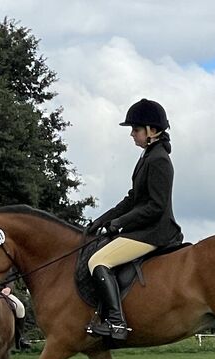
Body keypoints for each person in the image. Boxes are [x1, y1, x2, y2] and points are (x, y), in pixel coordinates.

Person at [85, 98, 184, 341]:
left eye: (136, 129)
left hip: (154, 231)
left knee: (98, 261)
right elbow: (132, 198)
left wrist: (120, 223)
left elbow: (155, 206)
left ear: (152, 131)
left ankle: (116, 323)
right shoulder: (148, 156)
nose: (132, 134)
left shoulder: (159, 159)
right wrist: (102, 219)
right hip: (144, 228)